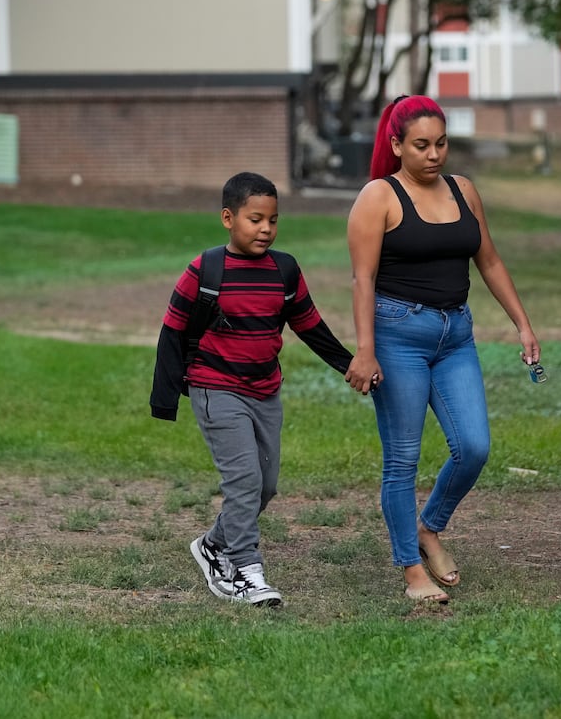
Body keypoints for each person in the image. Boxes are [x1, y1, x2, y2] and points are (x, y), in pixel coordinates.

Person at [346, 96, 540, 604]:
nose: (434, 155)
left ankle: (429, 527)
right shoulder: (378, 197)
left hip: (456, 336)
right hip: (397, 336)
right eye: (421, 145)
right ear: (396, 145)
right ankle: (411, 569)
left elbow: (490, 261)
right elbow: (362, 279)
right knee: (402, 460)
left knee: (474, 447)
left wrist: (522, 325)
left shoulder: (463, 191)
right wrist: (365, 351)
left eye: (441, 143)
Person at [151, 171, 374, 607]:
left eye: (273, 220)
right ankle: (244, 571)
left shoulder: (284, 270)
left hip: (264, 391)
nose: (266, 229)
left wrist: (351, 364)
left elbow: (310, 326)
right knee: (244, 480)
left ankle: (213, 544)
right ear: (228, 218)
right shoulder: (205, 269)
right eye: (255, 219)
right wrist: (165, 399)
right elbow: (171, 331)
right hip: (215, 388)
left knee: (265, 485)